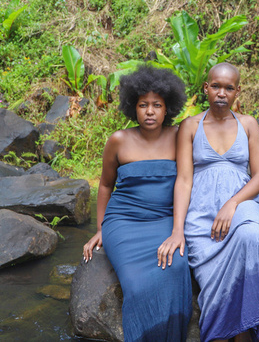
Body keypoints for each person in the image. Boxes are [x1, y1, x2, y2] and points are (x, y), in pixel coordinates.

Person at [158, 62, 259, 342]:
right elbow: (184, 180)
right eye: (217, 86)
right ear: (206, 88)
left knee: (252, 234)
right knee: (214, 291)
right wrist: (177, 230)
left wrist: (232, 204)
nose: (222, 93)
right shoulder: (190, 126)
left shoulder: (248, 124)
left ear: (237, 92)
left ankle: (247, 331)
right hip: (203, 218)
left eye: (229, 88)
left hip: (242, 208)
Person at [82, 63, 192, 342]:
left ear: (168, 108)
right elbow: (106, 185)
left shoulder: (180, 136)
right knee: (137, 285)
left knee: (177, 265)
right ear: (134, 107)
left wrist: (178, 230)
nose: (150, 111)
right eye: (144, 105)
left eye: (157, 104)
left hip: (164, 220)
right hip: (124, 223)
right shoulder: (119, 140)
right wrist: (101, 228)